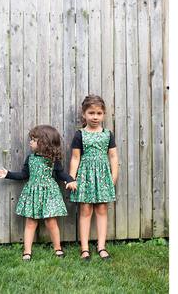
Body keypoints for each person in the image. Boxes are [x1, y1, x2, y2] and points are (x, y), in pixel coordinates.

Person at [0, 125, 77, 260]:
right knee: (30, 223)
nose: (30, 142)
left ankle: (58, 248)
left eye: (34, 140)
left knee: (51, 222)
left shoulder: (53, 160)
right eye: (31, 139)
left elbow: (61, 174)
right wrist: (8, 174)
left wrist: (70, 180)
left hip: (50, 194)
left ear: (45, 143)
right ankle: (27, 251)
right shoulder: (30, 159)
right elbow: (23, 175)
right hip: (33, 193)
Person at [69, 95, 118, 261]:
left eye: (98, 113)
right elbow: (75, 159)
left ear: (103, 114)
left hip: (103, 178)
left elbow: (113, 158)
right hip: (85, 178)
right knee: (85, 211)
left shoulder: (107, 134)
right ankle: (84, 248)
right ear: (84, 114)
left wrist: (113, 179)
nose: (95, 117)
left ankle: (101, 247)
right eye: (91, 113)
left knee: (102, 210)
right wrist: (71, 179)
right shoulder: (79, 135)